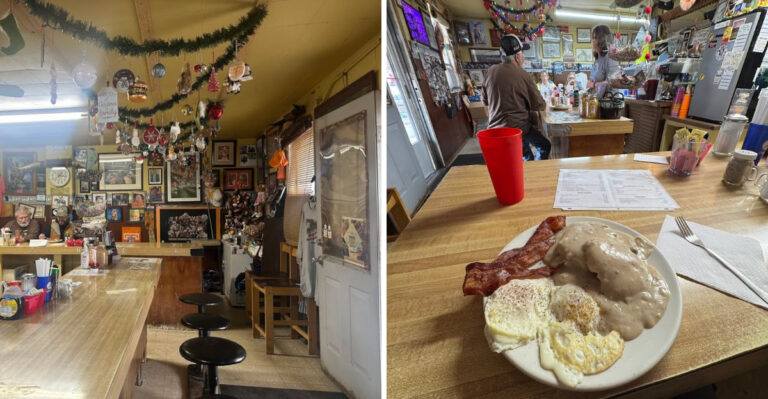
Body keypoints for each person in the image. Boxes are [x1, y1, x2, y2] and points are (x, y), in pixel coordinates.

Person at [483, 34, 550, 160]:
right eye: (522, 53)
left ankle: (525, 160)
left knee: (523, 152)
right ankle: (532, 165)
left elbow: (485, 101)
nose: (524, 56)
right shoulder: (523, 74)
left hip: (494, 131)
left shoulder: (490, 71)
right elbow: (539, 104)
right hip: (518, 129)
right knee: (545, 146)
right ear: (517, 57)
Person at [588, 25, 620, 99]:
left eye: (596, 38)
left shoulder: (611, 56)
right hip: (597, 99)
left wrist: (593, 84)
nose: (593, 41)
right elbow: (592, 79)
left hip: (609, 101)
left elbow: (613, 81)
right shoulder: (598, 57)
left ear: (602, 40)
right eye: (593, 38)